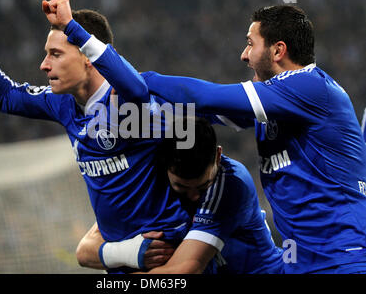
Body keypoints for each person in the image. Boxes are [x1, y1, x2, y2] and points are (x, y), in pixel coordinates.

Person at [46, 0, 366, 273]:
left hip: (343, 258)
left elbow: (204, 97)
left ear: (278, 50)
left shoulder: (309, 87)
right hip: (304, 263)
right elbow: (189, 112)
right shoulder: (276, 106)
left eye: (251, 43)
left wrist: (139, 81)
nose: (243, 54)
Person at [0, 0, 208, 274]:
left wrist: (72, 27)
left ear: (88, 57)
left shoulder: (126, 102)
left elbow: (137, 90)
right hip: (123, 262)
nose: (44, 65)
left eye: (55, 54)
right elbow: (4, 96)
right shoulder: (62, 103)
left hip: (168, 255)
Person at [76, 117, 285, 274]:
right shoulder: (150, 184)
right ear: (164, 166)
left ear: (218, 156)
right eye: (182, 187)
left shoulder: (231, 183)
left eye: (203, 186)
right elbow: (84, 251)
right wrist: (129, 251)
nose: (194, 197)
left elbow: (183, 272)